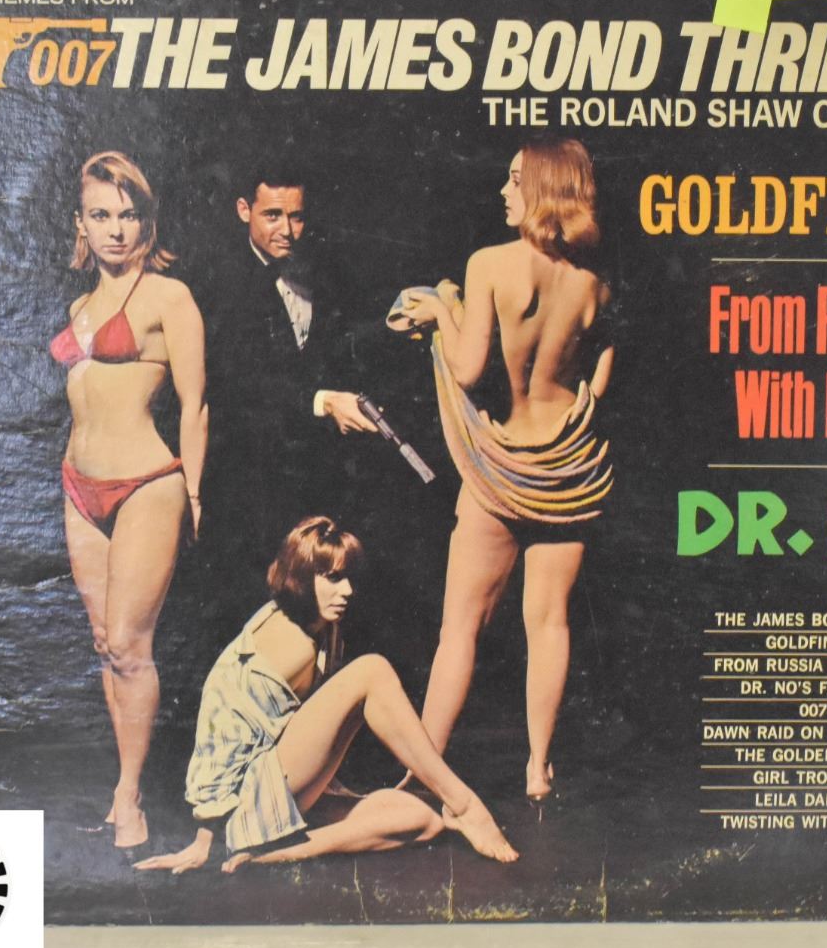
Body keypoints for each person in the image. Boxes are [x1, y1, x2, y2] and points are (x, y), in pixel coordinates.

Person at [391, 139, 615, 802]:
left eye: (516, 179)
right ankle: (538, 770)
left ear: (545, 188)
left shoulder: (489, 263)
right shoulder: (595, 285)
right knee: (550, 623)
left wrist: (442, 311)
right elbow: (600, 377)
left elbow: (467, 370)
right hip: (568, 472)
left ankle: (423, 773)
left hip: (498, 470)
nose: (503, 190)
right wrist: (574, 410)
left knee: (459, 629)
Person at [135, 517, 517, 872]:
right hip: (243, 803)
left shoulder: (320, 626)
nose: (347, 590)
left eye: (348, 577)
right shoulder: (291, 644)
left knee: (424, 819)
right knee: (372, 671)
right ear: (301, 577)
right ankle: (464, 804)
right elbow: (220, 738)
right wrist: (204, 839)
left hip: (273, 792)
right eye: (332, 578)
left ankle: (276, 853)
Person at [53, 150, 206, 850]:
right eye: (101, 215)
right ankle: (126, 783)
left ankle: (130, 794)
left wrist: (195, 493)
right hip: (79, 486)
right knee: (104, 647)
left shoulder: (168, 297)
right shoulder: (79, 307)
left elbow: (196, 404)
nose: (116, 230)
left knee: (128, 645)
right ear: (81, 224)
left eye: (129, 215)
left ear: (147, 221)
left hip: (147, 482)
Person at [193, 176, 381, 592]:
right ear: (244, 210)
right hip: (247, 477)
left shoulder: (323, 271)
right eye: (273, 216)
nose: (288, 230)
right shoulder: (219, 281)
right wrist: (324, 401)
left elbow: (340, 351)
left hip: (314, 474)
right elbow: (237, 381)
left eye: (297, 217)